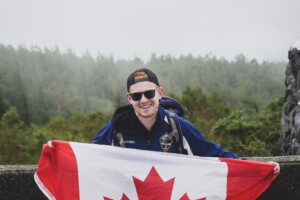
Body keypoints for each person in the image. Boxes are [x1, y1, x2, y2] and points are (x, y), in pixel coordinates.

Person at [91, 68, 280, 173]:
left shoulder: (177, 127)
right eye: (137, 96)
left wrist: (258, 169)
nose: (144, 100)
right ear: (129, 98)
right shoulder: (115, 128)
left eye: (149, 93)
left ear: (160, 93)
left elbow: (214, 153)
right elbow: (87, 157)